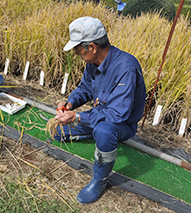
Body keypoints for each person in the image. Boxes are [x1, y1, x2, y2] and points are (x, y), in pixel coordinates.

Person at [54, 17, 146, 204]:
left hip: (121, 124)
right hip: (99, 116)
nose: (76, 54)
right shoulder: (92, 63)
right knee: (58, 132)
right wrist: (70, 105)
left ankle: (99, 179)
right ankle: (99, 138)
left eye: (78, 50)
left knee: (104, 130)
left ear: (93, 47)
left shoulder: (126, 68)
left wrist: (77, 117)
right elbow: (85, 89)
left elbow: (117, 114)